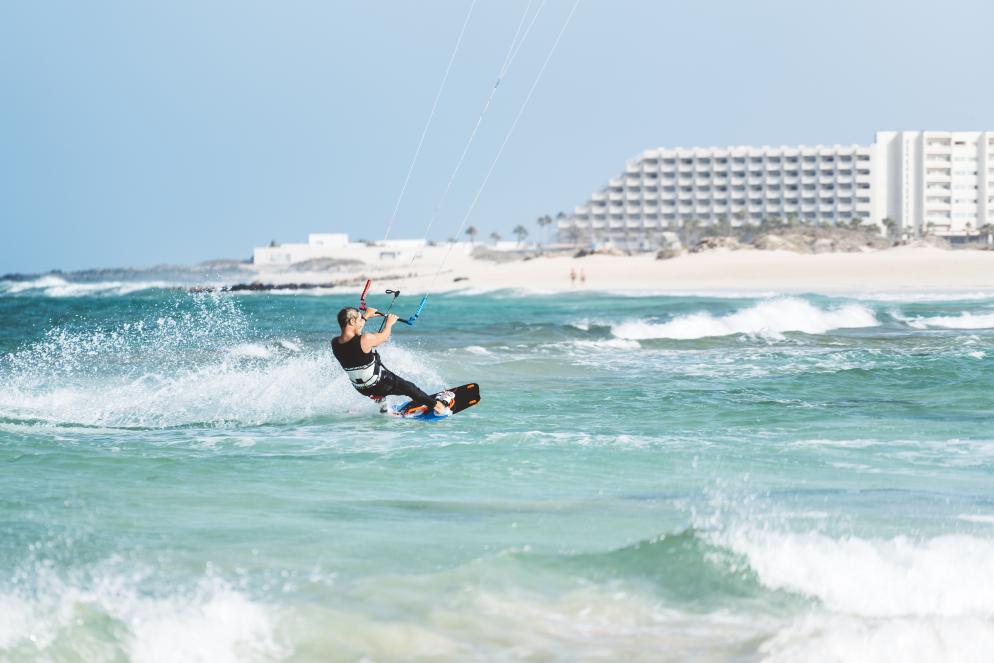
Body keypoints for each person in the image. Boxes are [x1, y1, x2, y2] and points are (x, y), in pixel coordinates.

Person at [332, 306, 449, 415]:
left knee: (373, 378)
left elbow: (354, 333)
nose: (360, 321)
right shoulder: (366, 339)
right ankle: (437, 406)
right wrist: (389, 323)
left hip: (361, 388)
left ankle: (384, 409)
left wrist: (366, 316)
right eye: (358, 319)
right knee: (410, 388)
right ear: (352, 322)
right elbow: (384, 336)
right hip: (378, 384)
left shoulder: (335, 343)